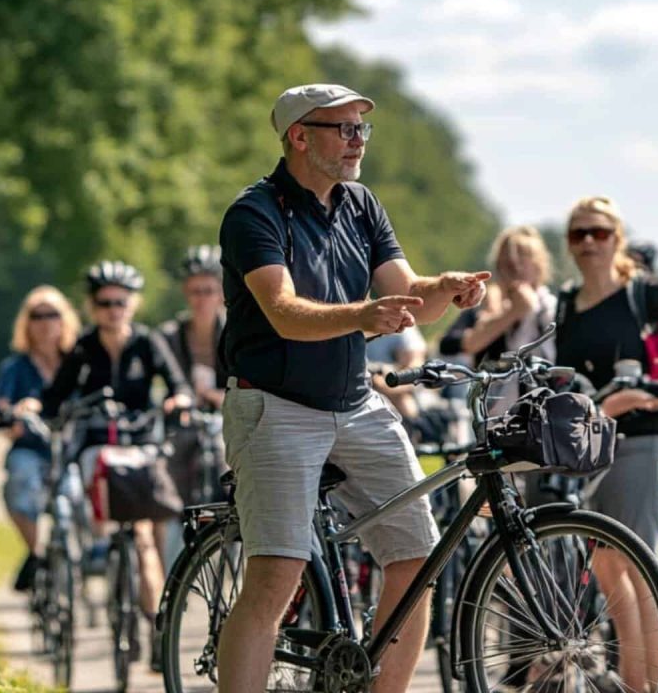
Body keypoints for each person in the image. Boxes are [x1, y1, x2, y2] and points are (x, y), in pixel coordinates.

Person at [216, 83, 489, 692]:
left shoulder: (361, 203)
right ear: (299, 136)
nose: (357, 141)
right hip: (276, 406)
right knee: (276, 575)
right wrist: (363, 315)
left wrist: (444, 288)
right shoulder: (254, 213)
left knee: (418, 558)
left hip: (357, 403)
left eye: (362, 129)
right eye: (343, 129)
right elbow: (284, 313)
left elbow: (407, 296)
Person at [547, 195, 658, 689]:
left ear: (618, 238)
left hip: (641, 441)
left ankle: (655, 682)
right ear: (569, 244)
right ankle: (636, 680)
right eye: (579, 233)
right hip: (588, 449)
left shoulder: (641, 293)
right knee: (609, 571)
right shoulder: (566, 302)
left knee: (641, 567)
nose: (589, 242)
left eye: (599, 232)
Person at [34, 259, 194, 671]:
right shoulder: (83, 348)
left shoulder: (147, 342)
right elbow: (55, 397)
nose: (112, 310)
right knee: (121, 526)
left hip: (140, 446)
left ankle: (155, 629)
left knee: (146, 538)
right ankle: (101, 556)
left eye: (120, 302)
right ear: (92, 307)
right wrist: (45, 411)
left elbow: (177, 384)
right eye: (104, 303)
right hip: (95, 449)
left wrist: (178, 400)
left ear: (132, 304)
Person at [0, 285, 81, 592]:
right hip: (31, 448)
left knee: (85, 495)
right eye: (36, 316)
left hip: (71, 450)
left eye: (52, 314)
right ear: (26, 323)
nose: (44, 322)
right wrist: (12, 414)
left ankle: (97, 558)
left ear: (64, 319)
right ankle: (36, 553)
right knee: (19, 482)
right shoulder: (15, 367)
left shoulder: (78, 362)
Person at [439, 225, 556, 412]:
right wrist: (510, 313)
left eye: (524, 256)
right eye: (507, 261)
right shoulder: (484, 306)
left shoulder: (553, 310)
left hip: (544, 412)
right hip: (491, 414)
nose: (515, 265)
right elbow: (449, 345)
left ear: (539, 264)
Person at [159, 245, 229, 510]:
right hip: (183, 421)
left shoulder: (235, 333)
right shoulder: (169, 336)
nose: (201, 299)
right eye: (194, 291)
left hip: (229, 418)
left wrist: (215, 396)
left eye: (208, 291)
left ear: (221, 293)